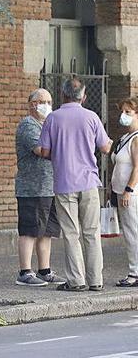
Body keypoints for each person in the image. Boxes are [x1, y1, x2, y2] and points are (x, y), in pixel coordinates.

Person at [40, 77, 112, 292]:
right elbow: (105, 148)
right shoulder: (91, 117)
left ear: (63, 95)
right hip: (89, 182)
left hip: (64, 183)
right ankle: (96, 280)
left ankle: (76, 281)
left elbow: (44, 151)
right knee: (91, 232)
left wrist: (60, 152)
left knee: (71, 234)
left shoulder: (53, 118)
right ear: (84, 96)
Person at [14, 89, 66, 287]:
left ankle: (44, 270)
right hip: (32, 188)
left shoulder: (47, 125)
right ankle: (24, 271)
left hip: (50, 187)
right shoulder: (29, 125)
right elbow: (42, 151)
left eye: (49, 101)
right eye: (41, 101)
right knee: (29, 230)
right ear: (32, 104)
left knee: (46, 231)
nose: (46, 104)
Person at [111, 97, 138, 288]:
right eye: (123, 112)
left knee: (132, 232)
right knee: (129, 231)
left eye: (128, 112)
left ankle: (134, 272)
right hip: (121, 192)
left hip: (131, 194)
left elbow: (137, 167)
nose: (124, 116)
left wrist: (128, 189)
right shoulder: (124, 138)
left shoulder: (136, 139)